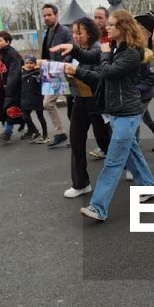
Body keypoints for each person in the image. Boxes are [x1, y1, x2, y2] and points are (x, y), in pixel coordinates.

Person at [64, 9, 154, 222]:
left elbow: (108, 72)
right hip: (116, 111)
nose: (107, 27)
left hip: (128, 113)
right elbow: (91, 56)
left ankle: (98, 207)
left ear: (123, 28)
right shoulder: (115, 48)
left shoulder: (132, 53)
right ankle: (149, 187)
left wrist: (104, 55)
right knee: (132, 153)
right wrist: (74, 50)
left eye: (112, 24)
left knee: (113, 161)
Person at [60, 16, 111, 198]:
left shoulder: (99, 50)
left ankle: (134, 169)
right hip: (79, 100)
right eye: (73, 33)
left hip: (97, 101)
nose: (75, 36)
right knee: (76, 139)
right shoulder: (71, 53)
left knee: (107, 142)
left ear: (89, 33)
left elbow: (99, 77)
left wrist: (77, 73)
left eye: (79, 33)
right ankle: (81, 184)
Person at [37, 3, 72, 148]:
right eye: (44, 15)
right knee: (47, 103)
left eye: (49, 15)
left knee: (73, 109)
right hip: (53, 71)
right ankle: (60, 133)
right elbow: (46, 54)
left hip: (64, 71)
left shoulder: (65, 31)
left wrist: (63, 67)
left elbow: (71, 52)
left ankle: (76, 136)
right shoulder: (48, 32)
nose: (46, 18)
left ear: (56, 15)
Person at [19, 55, 48, 143]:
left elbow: (43, 81)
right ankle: (34, 130)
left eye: (31, 63)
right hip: (25, 98)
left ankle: (45, 135)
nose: (28, 65)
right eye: (27, 63)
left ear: (35, 64)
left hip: (37, 98)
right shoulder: (22, 73)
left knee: (40, 116)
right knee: (25, 116)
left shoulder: (38, 73)